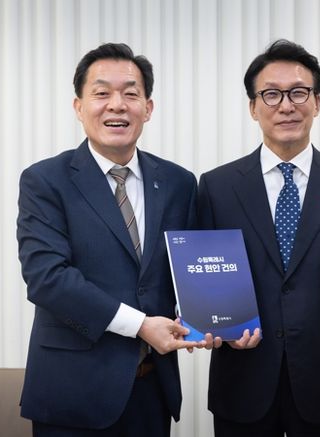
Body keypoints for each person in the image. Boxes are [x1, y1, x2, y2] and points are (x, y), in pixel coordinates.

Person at [198, 39, 320, 437]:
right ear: (253, 107)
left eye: (299, 93)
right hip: (243, 377)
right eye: (271, 94)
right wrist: (217, 328)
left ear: (317, 102)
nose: (286, 106)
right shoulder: (217, 187)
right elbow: (207, 279)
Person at [17, 42, 203, 437]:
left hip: (151, 391)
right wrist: (140, 325)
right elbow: (47, 279)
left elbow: (191, 271)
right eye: (102, 93)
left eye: (130, 94)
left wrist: (223, 321)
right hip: (71, 394)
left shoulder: (178, 183)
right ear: (79, 106)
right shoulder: (45, 181)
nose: (117, 105)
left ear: (147, 108)